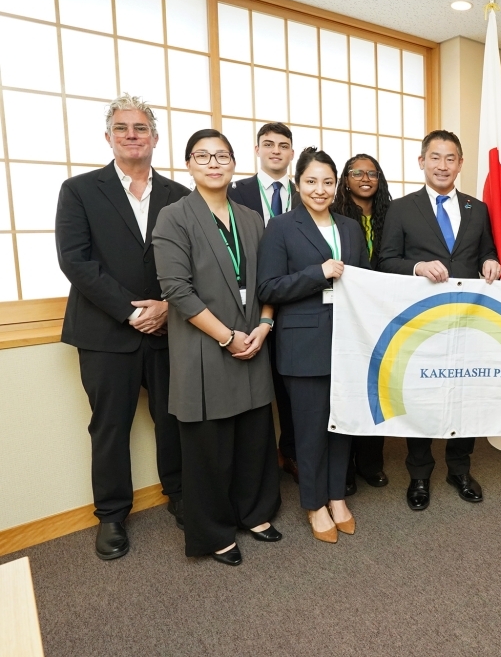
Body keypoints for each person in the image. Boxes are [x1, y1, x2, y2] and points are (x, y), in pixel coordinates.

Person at [55, 93, 188, 561]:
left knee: (174, 419)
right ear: (108, 137)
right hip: (105, 332)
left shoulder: (180, 195)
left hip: (168, 329)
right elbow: (76, 261)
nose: (132, 135)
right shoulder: (79, 190)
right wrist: (133, 313)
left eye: (140, 128)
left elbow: (193, 264)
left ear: (155, 137)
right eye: (122, 128)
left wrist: (168, 308)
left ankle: (181, 494)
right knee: (110, 426)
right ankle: (111, 515)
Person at [152, 129, 282, 566]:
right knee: (210, 446)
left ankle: (255, 513)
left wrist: (264, 325)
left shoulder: (252, 217)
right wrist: (226, 336)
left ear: (234, 163)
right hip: (204, 344)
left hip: (253, 338)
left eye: (222, 156)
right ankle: (214, 532)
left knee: (255, 436)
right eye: (203, 156)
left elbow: (267, 281)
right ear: (188, 164)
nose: (213, 163)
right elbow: (177, 290)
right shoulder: (174, 216)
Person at [379, 130, 501, 510]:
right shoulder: (401, 208)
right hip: (422, 321)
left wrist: (491, 262)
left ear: (460, 164)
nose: (443, 165)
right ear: (422, 161)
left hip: (468, 320)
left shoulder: (477, 208)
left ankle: (459, 469)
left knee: (465, 393)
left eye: (451, 158)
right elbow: (385, 261)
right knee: (421, 396)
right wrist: (417, 266)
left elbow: (488, 251)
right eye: (435, 157)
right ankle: (419, 474)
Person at [258, 147, 370, 542]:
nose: (319, 189)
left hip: (348, 341)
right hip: (303, 344)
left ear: (336, 185)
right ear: (297, 183)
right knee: (309, 431)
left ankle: (337, 496)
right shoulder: (280, 227)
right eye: (311, 181)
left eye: (327, 182)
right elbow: (268, 288)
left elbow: (365, 282)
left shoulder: (350, 227)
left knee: (343, 425)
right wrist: (317, 273)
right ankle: (314, 503)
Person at [228, 122, 299, 483]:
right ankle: (255, 469)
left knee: (293, 389)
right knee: (252, 388)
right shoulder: (234, 192)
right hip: (248, 306)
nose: (276, 151)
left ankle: (292, 453)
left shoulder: (307, 191)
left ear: (291, 153)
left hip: (299, 302)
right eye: (268, 144)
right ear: (256, 150)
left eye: (283, 145)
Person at [331, 153, 393, 494]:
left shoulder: (392, 214)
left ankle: (371, 463)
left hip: (383, 311)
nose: (365, 178)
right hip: (346, 313)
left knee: (375, 386)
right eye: (357, 173)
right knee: (348, 388)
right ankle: (344, 469)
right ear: (346, 178)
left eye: (372, 173)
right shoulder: (334, 215)